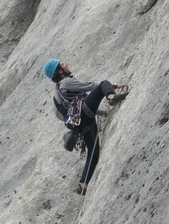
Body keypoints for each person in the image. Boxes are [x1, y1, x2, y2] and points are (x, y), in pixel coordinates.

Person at [43, 59, 128, 195]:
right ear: (59, 71)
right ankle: (111, 97)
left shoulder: (56, 93)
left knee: (93, 153)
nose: (67, 64)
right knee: (103, 84)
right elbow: (91, 86)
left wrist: (101, 112)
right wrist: (114, 86)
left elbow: (62, 113)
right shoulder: (66, 82)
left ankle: (83, 184)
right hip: (84, 115)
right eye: (63, 64)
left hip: (80, 123)